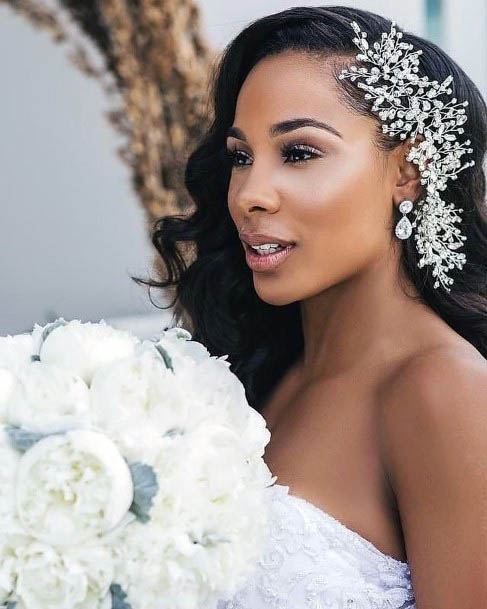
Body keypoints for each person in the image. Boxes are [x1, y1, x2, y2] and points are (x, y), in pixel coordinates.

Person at [134, 5, 487, 607]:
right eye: (241, 156)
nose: (250, 194)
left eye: (298, 152)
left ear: (409, 171)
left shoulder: (444, 391)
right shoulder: (252, 368)